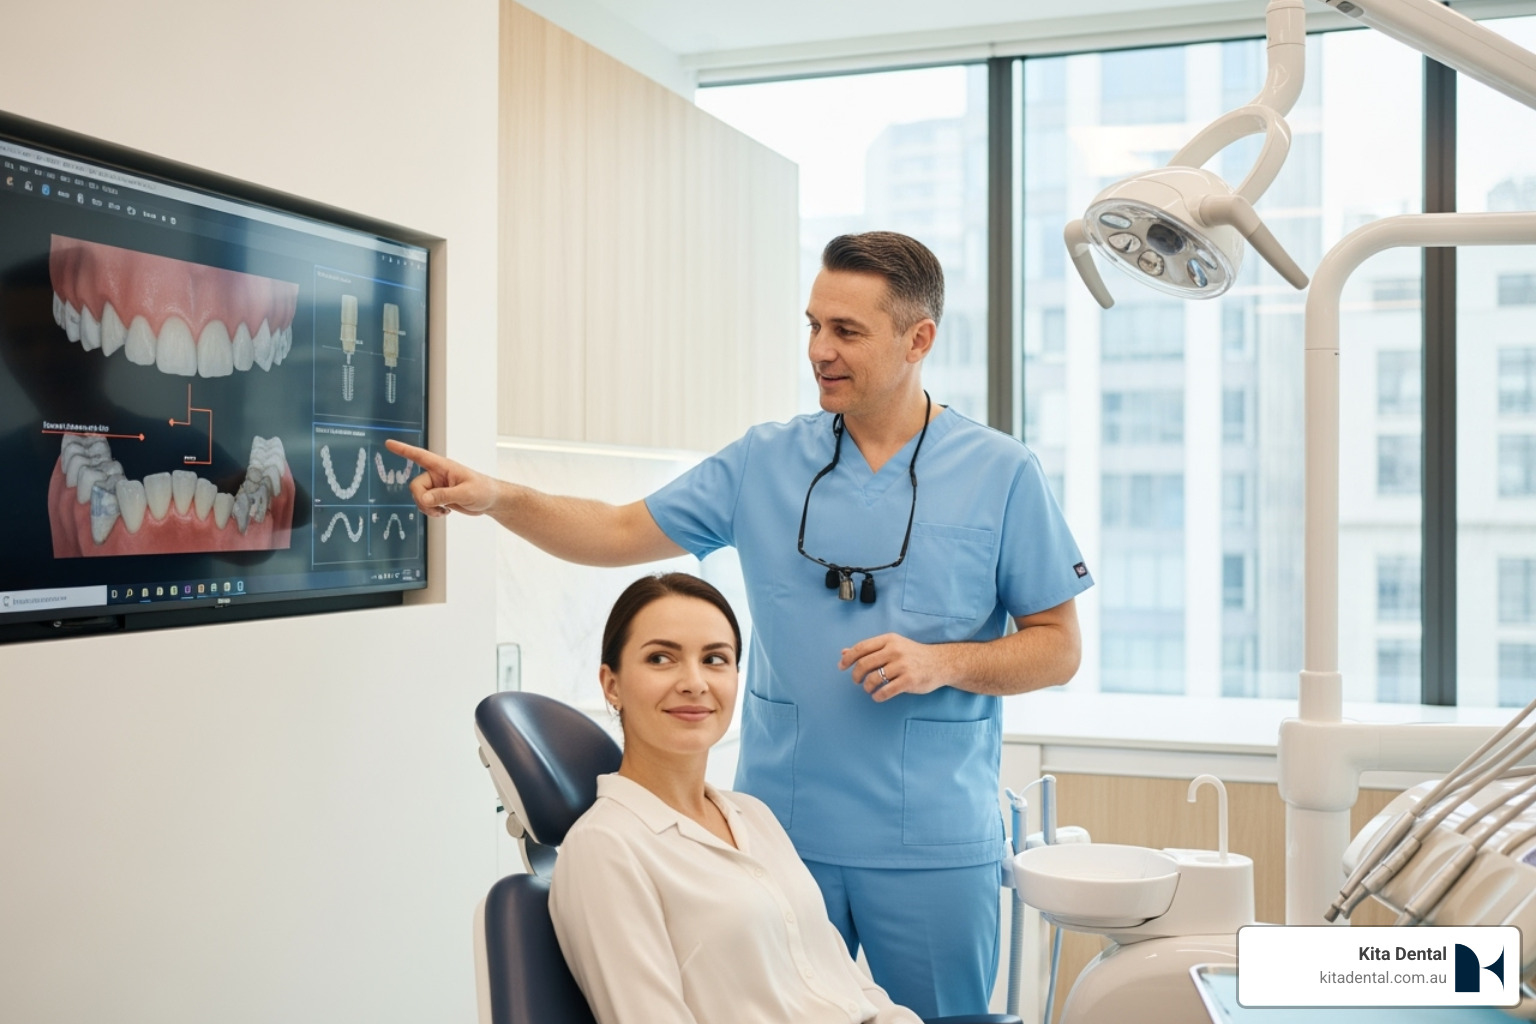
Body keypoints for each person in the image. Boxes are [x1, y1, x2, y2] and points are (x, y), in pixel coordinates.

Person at [387, 230, 1093, 1016]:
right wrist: (499, 498)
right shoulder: (765, 460)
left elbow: (1058, 649)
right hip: (776, 837)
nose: (820, 349)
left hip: (928, 843)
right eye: (813, 325)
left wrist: (943, 663)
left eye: (847, 331)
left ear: (917, 339)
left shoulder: (1002, 473)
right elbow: (619, 532)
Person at [550, 571, 923, 1024]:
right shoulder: (605, 848)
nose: (694, 682)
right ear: (612, 684)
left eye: (714, 659)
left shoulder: (753, 815)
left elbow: (846, 981)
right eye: (661, 658)